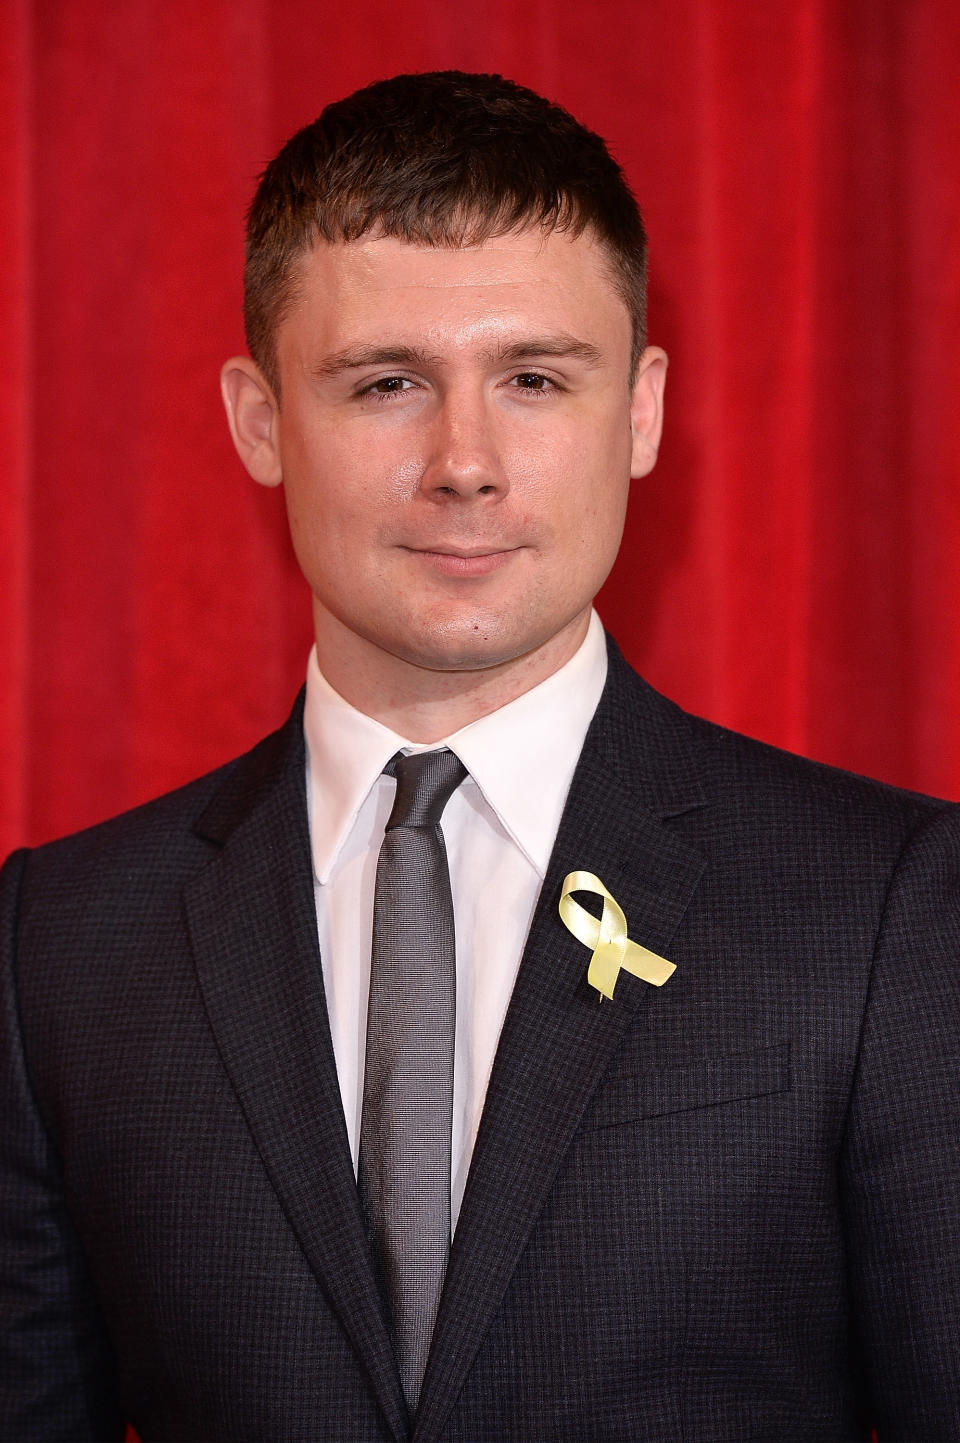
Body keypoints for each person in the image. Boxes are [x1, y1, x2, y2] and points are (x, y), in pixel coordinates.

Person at [2, 70, 959, 1443]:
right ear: (260, 420)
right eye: (387, 382)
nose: (465, 461)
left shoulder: (893, 912)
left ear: (639, 412)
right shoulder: (57, 950)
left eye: (533, 379)